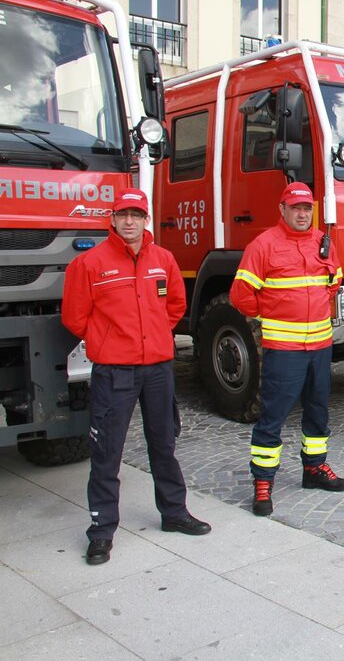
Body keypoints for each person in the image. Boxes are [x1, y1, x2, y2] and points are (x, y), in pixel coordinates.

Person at [62, 188, 211, 566]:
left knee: (163, 444)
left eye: (136, 214)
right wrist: (106, 341)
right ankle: (101, 531)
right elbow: (74, 316)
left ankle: (174, 512)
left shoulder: (163, 259)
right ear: (111, 219)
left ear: (146, 220)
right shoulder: (90, 264)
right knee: (107, 453)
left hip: (158, 369)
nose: (129, 221)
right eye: (122, 214)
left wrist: (157, 334)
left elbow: (175, 303)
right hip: (115, 371)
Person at [230, 182, 344, 517]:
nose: (302, 213)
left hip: (320, 346)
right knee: (273, 416)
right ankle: (263, 482)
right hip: (284, 348)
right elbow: (241, 296)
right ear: (282, 209)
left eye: (307, 208)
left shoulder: (322, 242)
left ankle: (314, 469)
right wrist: (275, 311)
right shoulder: (263, 245)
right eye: (295, 208)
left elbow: (335, 279)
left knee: (318, 411)